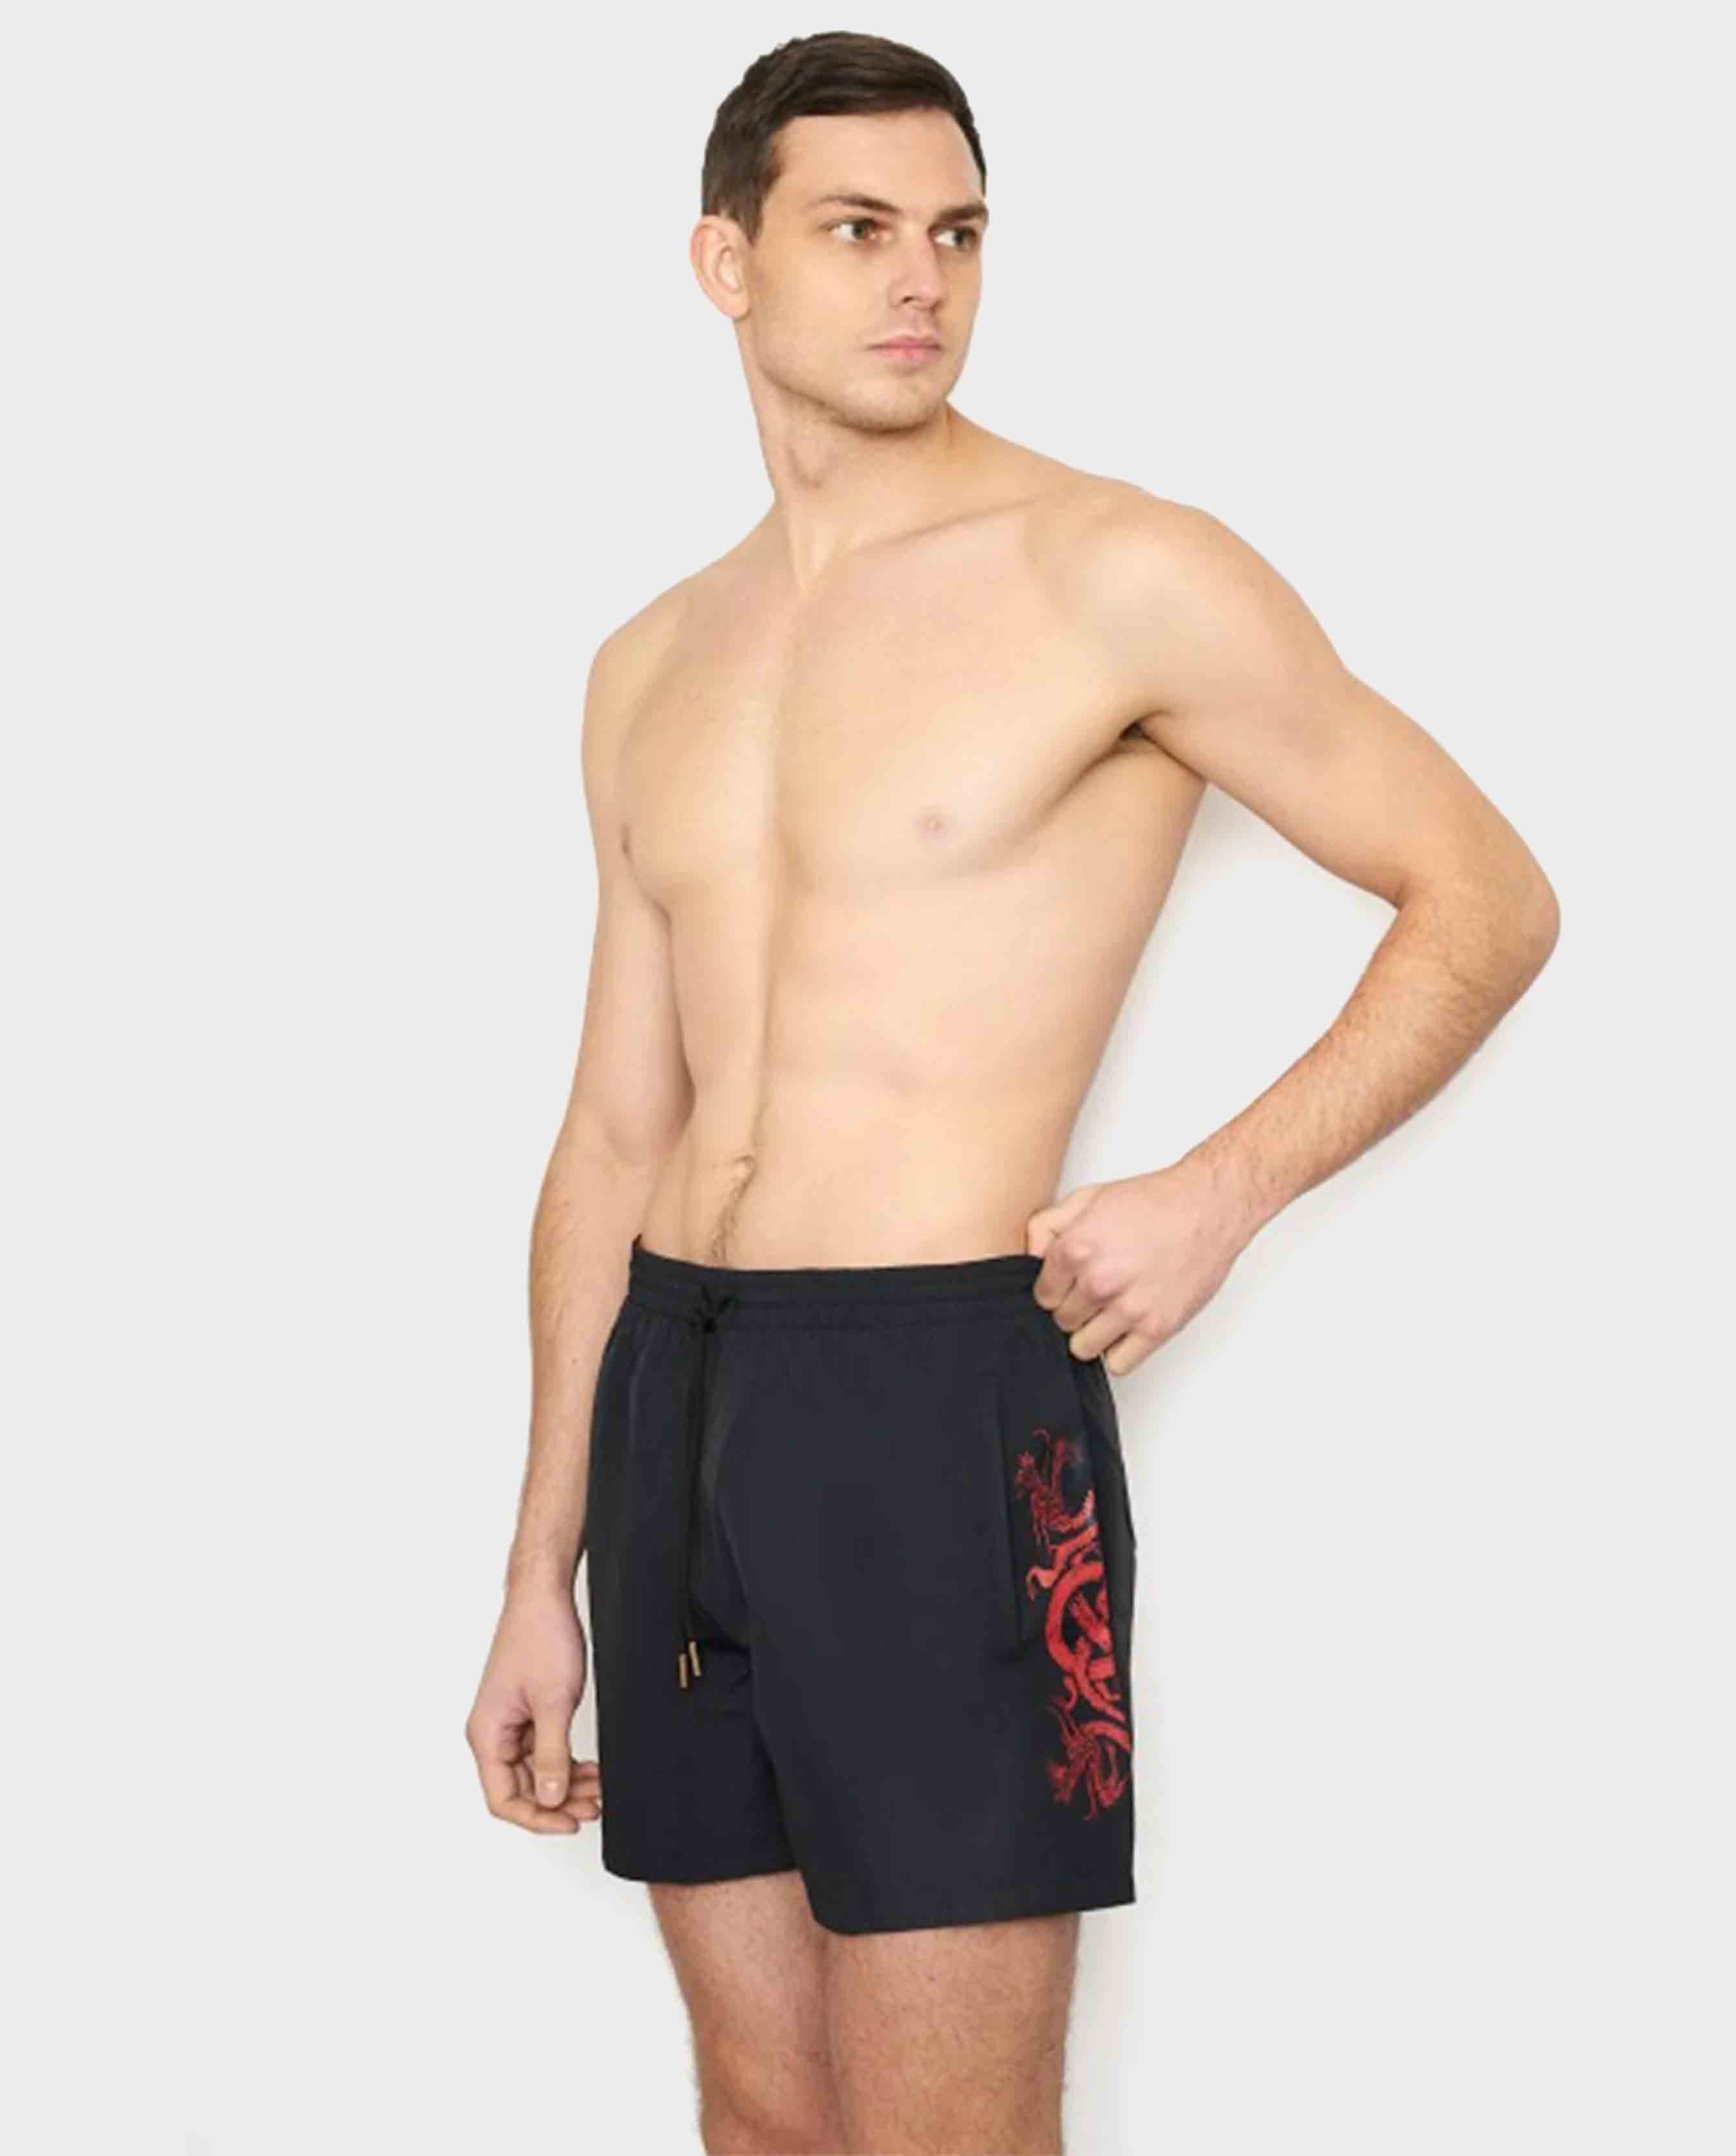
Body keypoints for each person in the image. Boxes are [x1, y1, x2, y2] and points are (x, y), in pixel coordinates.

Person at [466, 28, 1559, 2155]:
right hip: (677, 1396)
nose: (922, 281)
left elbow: (1488, 896)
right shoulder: (652, 663)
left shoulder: (1115, 573)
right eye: (859, 229)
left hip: (940, 1396)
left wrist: (1220, 1189)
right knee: (765, 2123)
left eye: (959, 234)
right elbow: (611, 1135)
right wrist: (539, 1567)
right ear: (725, 261)